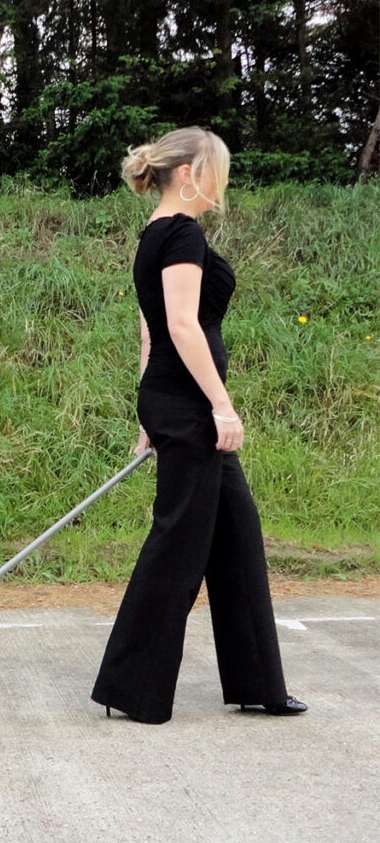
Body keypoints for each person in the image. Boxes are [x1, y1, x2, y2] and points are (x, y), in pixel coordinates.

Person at [90, 127, 307, 724]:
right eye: (217, 170)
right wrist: (221, 405)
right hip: (189, 408)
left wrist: (146, 412)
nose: (222, 182)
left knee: (236, 535)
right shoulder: (181, 232)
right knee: (179, 545)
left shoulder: (152, 235)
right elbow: (181, 327)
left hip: (172, 404)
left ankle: (258, 683)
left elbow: (149, 333)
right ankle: (131, 689)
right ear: (187, 173)